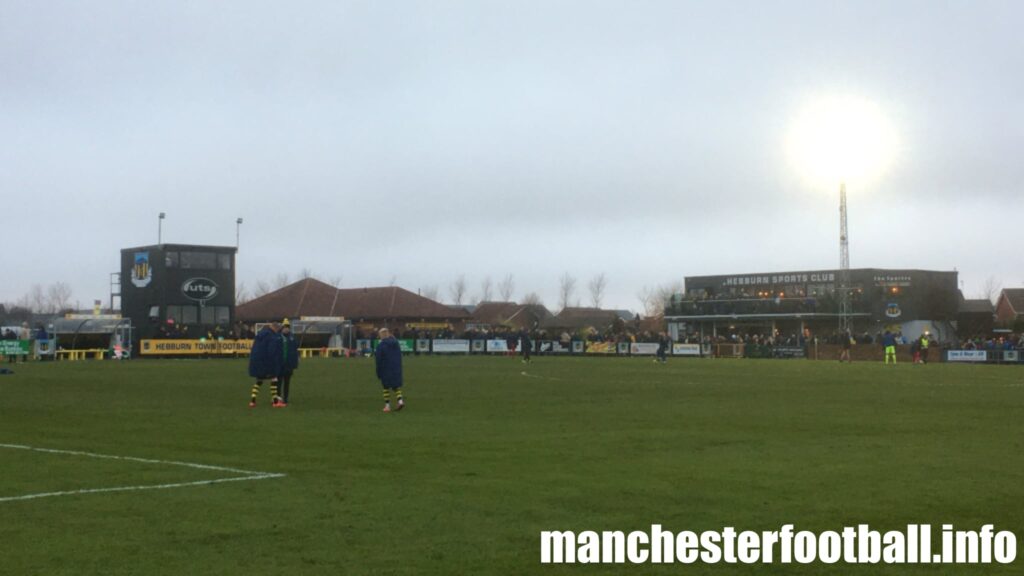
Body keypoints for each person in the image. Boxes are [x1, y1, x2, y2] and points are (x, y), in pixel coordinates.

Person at [248, 322, 284, 408]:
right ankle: (275, 402)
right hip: (266, 362)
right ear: (275, 328)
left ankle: (252, 401)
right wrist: (274, 362)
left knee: (259, 381)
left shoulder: (260, 335)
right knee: (274, 379)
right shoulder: (271, 336)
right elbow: (271, 351)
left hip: (256, 362)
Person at [375, 328, 404, 413]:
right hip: (396, 368)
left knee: (385, 387)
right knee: (395, 386)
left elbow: (378, 359)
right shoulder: (396, 343)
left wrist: (378, 371)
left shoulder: (381, 346)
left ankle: (387, 406)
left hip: (385, 368)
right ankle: (400, 401)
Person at [278, 319, 300, 406]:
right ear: (282, 328)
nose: (286, 329)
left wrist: (296, 361)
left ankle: (285, 398)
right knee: (278, 382)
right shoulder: (278, 337)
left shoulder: (292, 338)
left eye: (288, 327)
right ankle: (277, 398)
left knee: (287, 383)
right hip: (279, 364)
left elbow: (295, 350)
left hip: (288, 364)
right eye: (285, 327)